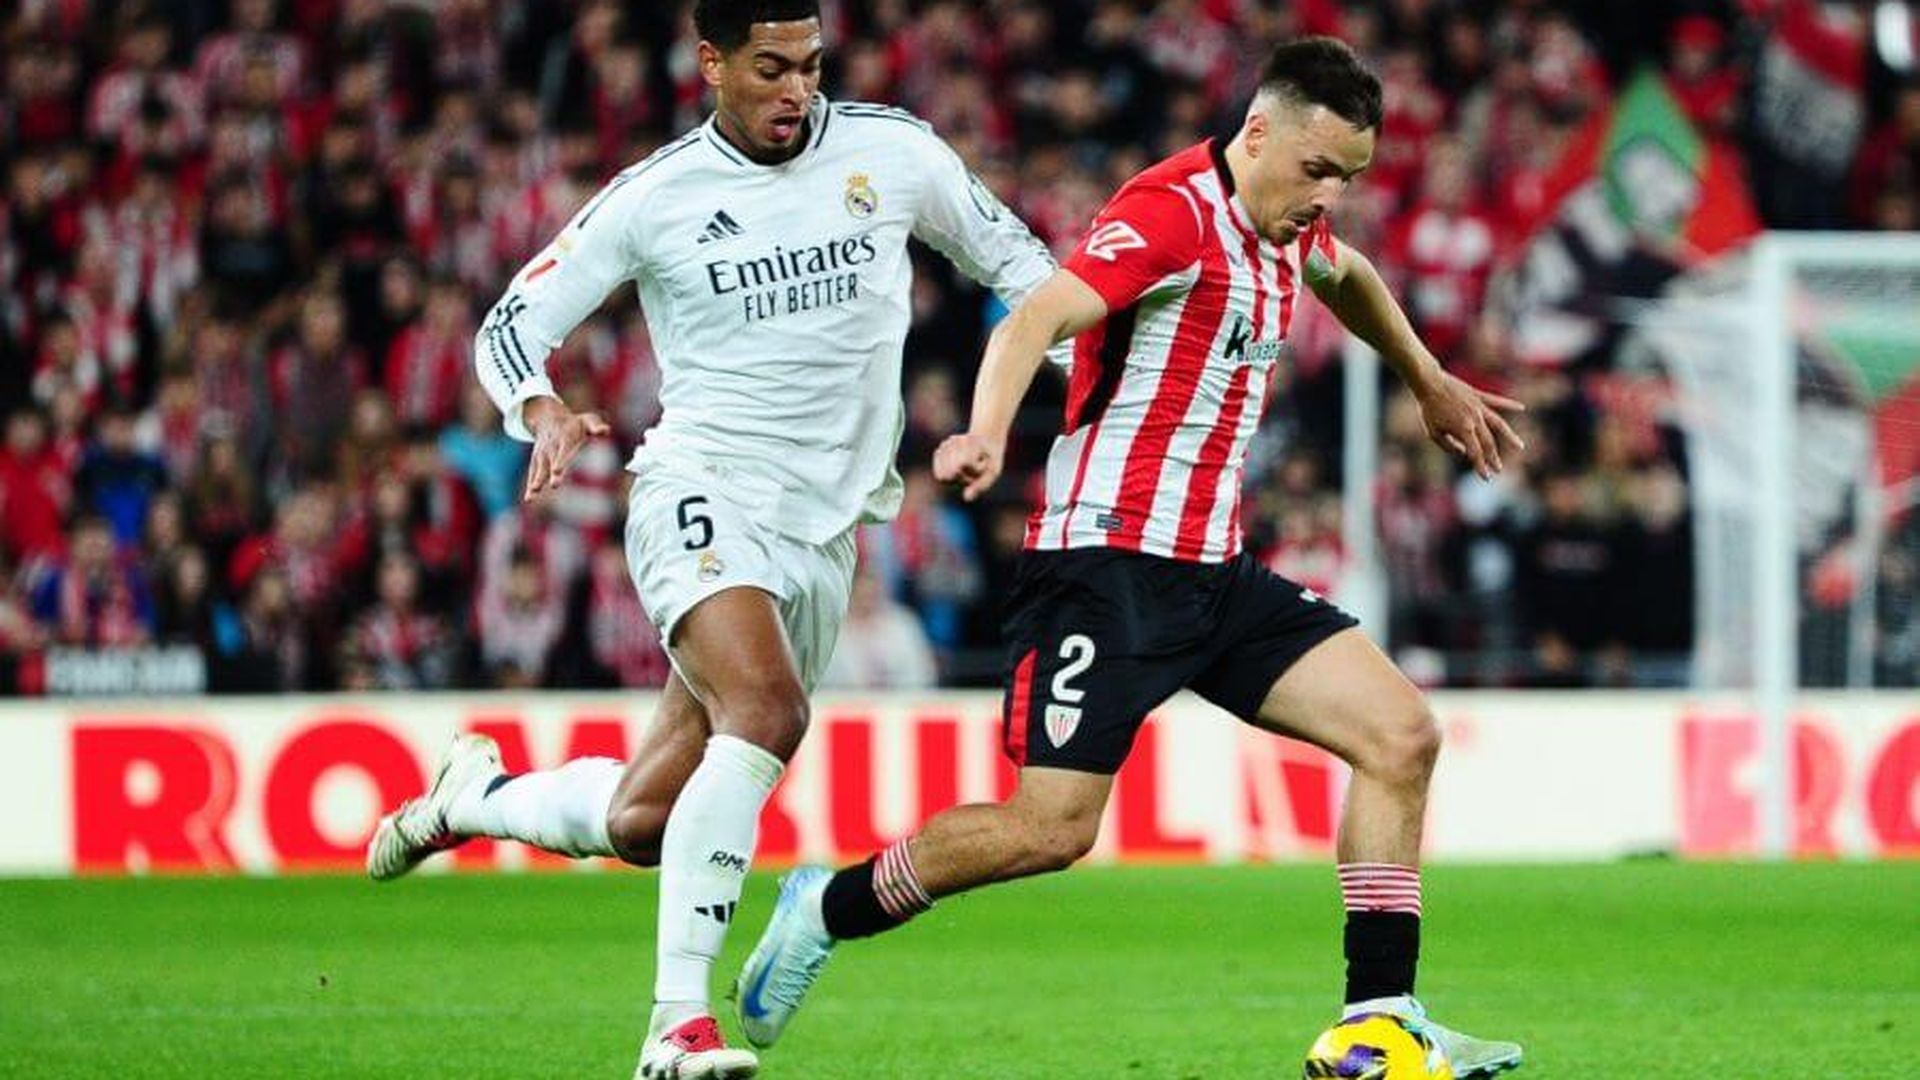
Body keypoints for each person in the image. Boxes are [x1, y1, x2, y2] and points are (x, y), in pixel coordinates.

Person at [734, 38, 1527, 1076]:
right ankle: (830, 904)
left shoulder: (1291, 224)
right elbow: (1034, 320)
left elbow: (1349, 274)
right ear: (1257, 133)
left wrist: (1428, 378)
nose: (1328, 196)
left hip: (1214, 569)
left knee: (1400, 735)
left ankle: (1376, 1022)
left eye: (1349, 177)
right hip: (1104, 567)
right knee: (1051, 829)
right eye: (1317, 169)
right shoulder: (1170, 216)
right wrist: (983, 431)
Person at [361, 2, 1060, 1078]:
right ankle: (673, 1030)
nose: (797, 91)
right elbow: (513, 320)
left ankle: (475, 797)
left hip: (828, 530)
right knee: (767, 712)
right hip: (700, 487)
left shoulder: (895, 152)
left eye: (811, 67)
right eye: (772, 69)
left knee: (646, 820)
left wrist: (1090, 376)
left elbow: (1020, 267)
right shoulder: (656, 198)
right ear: (712, 64)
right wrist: (539, 406)